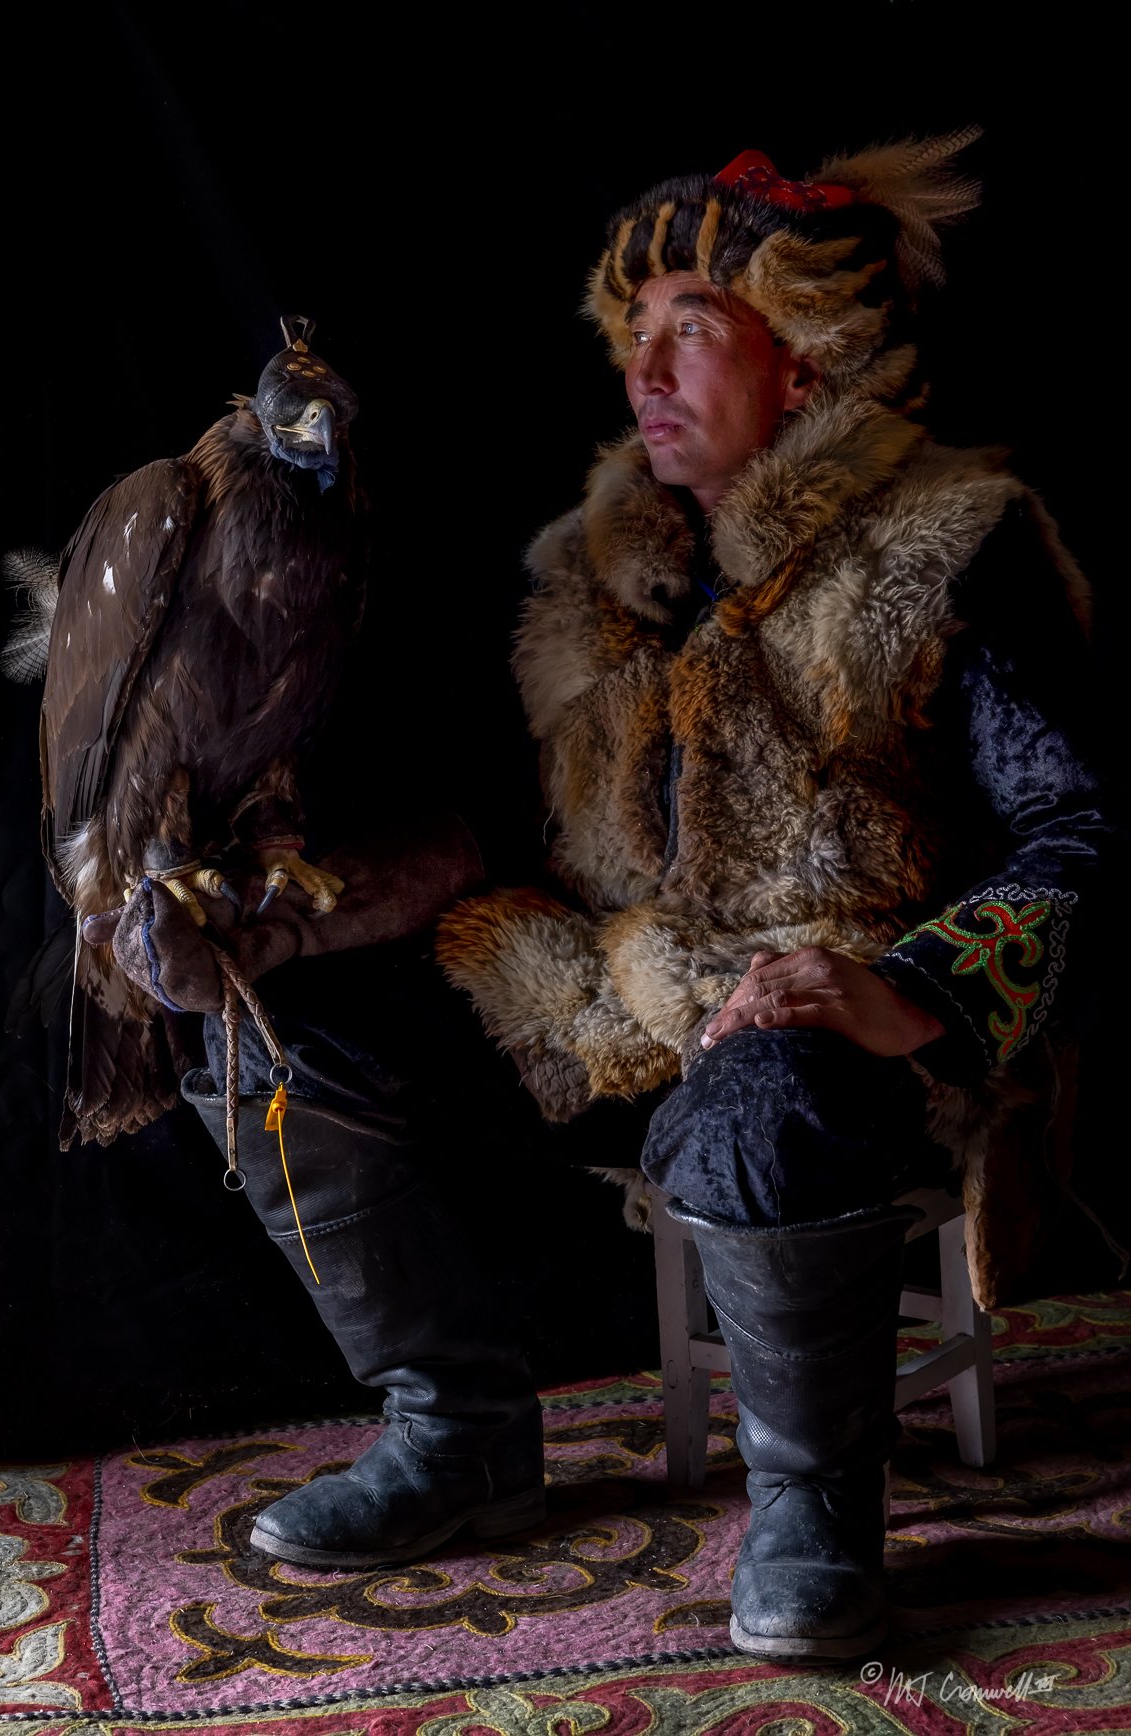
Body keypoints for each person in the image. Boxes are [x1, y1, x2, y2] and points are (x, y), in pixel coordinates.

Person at [434, 130, 1126, 1663]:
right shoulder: (588, 569)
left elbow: (1078, 829)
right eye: (637, 333)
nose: (646, 368)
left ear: (803, 366)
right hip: (612, 990)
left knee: (775, 1077)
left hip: (833, 1032)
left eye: (694, 326)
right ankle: (453, 1422)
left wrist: (923, 990)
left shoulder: (952, 541)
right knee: (265, 996)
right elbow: (509, 830)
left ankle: (817, 1504)